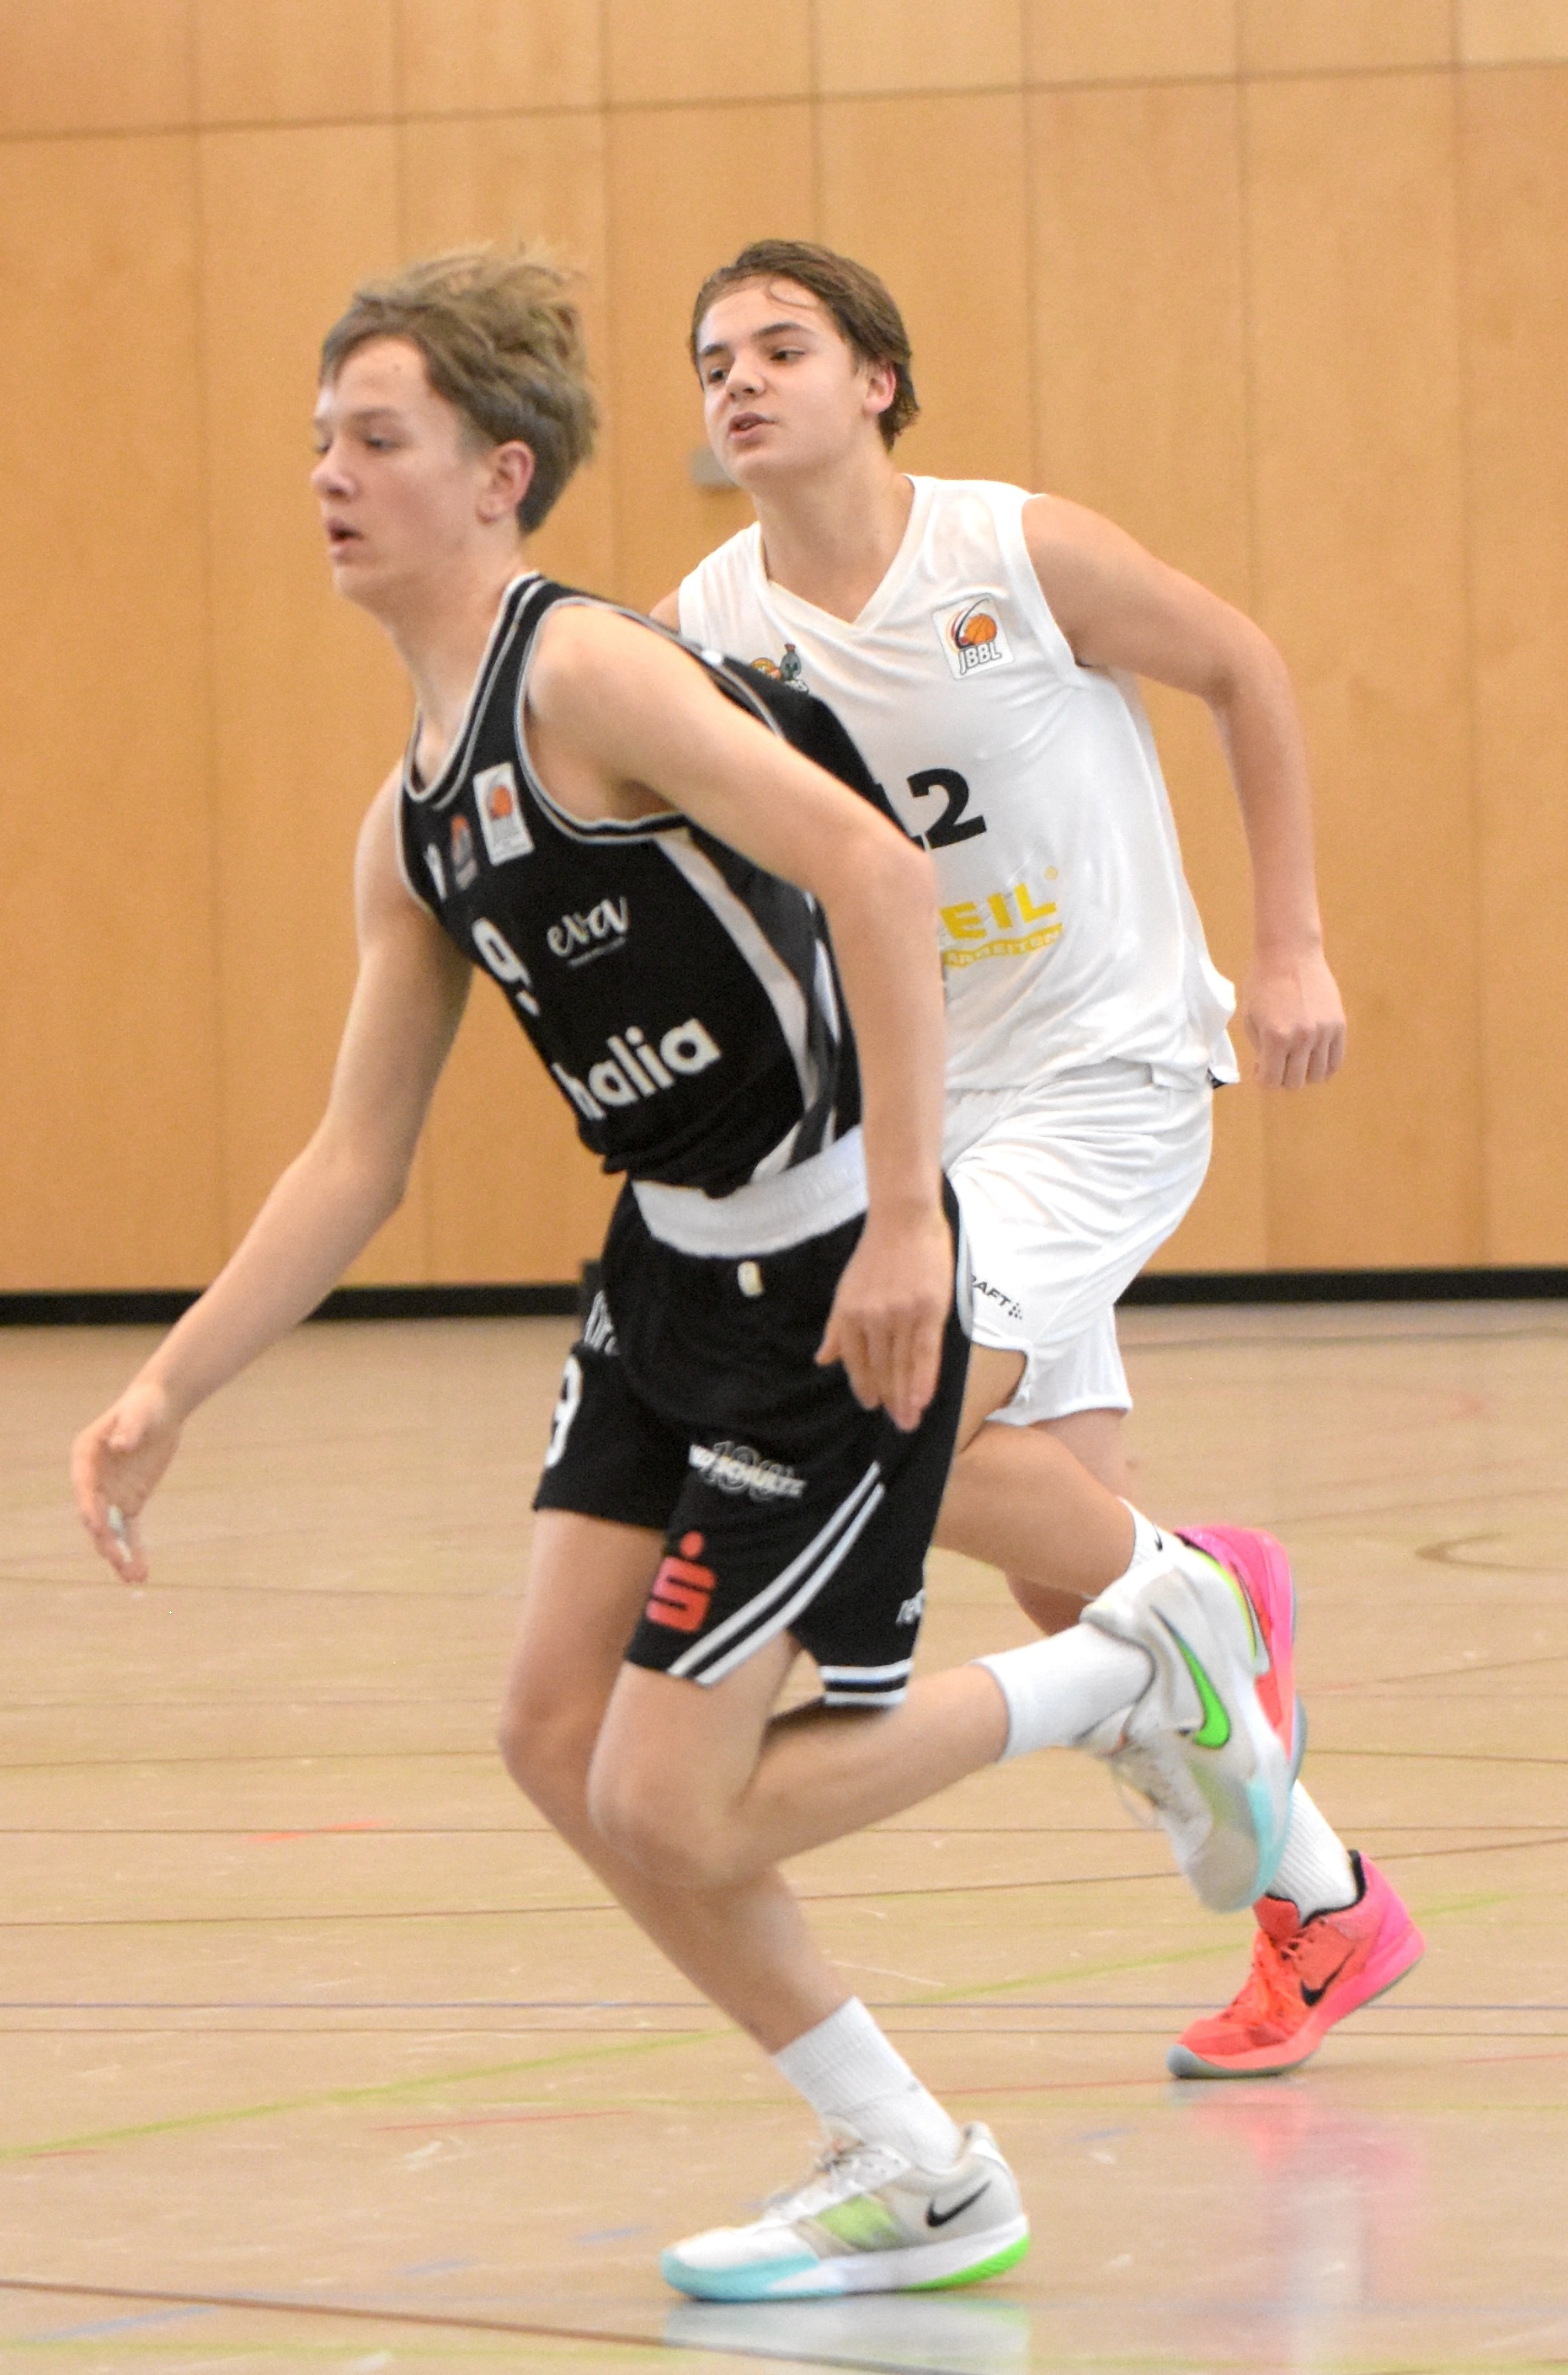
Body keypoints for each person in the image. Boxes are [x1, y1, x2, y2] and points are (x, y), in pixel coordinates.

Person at [70, 250, 1300, 2302]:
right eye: (314, 442)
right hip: (661, 1278)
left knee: (678, 1797)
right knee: (553, 1740)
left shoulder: (586, 675)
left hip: (825, 1257)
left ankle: (1124, 1660)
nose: (327, 476)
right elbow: (353, 1155)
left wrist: (907, 1216)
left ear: (498, 474)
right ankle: (908, 2163)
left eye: (375, 439)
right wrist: (169, 1383)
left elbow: (876, 870)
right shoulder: (415, 819)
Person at [660, 238, 1421, 2081]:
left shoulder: (1004, 553)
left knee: (886, 1420)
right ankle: (1320, 1904)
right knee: (1058, 1577)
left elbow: (1239, 667)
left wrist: (1292, 939)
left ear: (877, 382)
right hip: (924, 1119)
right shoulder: (711, 620)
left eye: (782, 346)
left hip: (1104, 1078)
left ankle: (1211, 1596)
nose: (739, 380)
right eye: (710, 360)